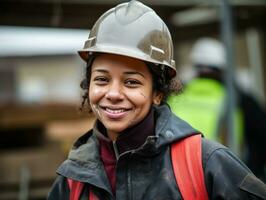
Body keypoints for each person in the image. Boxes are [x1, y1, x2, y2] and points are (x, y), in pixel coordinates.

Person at [48, 1, 266, 199]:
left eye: (131, 82)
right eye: (102, 79)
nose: (113, 94)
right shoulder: (72, 179)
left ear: (158, 93)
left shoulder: (208, 163)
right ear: (89, 85)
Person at [168, 37, 266, 181]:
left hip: (180, 178)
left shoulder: (175, 98)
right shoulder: (237, 99)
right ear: (223, 67)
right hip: (224, 178)